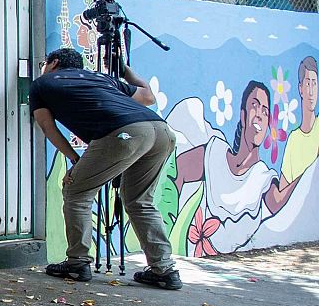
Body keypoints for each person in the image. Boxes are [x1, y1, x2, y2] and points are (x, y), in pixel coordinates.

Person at [30, 47, 178, 288]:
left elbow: (47, 127)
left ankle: (77, 262)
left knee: (77, 193)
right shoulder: (101, 78)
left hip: (125, 133)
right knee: (139, 201)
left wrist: (74, 159)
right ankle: (163, 270)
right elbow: (148, 97)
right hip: (161, 131)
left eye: (45, 62)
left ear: (54, 62)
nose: (44, 67)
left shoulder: (42, 83)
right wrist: (123, 68)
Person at [172, 80, 300, 256]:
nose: (260, 115)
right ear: (243, 115)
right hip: (193, 254)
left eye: (265, 111)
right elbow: (179, 169)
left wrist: (310, 172)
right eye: (255, 106)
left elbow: (277, 202)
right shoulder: (215, 154)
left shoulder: (262, 176)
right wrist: (169, 221)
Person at [283, 57, 318, 182]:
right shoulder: (293, 140)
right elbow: (283, 188)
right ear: (300, 89)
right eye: (308, 83)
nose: (311, 91)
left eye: (314, 83)